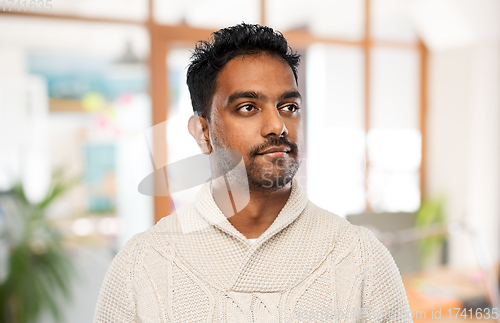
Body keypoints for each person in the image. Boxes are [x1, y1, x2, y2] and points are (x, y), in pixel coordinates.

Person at [94, 23, 412, 322]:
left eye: (289, 107)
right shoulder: (140, 265)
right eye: (248, 107)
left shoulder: (362, 258)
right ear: (203, 132)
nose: (278, 126)